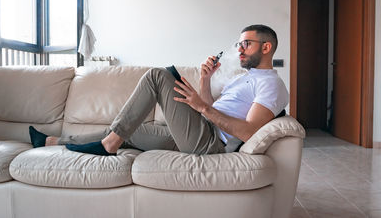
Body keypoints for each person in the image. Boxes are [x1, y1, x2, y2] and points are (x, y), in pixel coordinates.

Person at [29, 24, 288, 156]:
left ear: (266, 48)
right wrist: (205, 80)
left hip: (210, 142)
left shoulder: (271, 85)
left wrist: (201, 107)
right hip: (199, 128)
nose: (239, 49)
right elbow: (213, 107)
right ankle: (51, 142)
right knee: (126, 130)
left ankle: (108, 145)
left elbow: (250, 131)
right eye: (238, 44)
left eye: (246, 44)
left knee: (157, 76)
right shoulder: (245, 78)